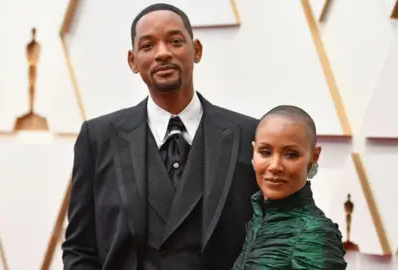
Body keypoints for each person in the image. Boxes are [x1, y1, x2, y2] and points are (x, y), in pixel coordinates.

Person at [61, 3, 259, 270]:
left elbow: (272, 238)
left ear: (197, 50)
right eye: (148, 46)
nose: (163, 53)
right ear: (132, 60)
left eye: (175, 41)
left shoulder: (248, 135)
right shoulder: (97, 138)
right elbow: (80, 248)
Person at [232, 105, 347, 270]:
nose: (275, 166)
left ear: (314, 156)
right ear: (253, 152)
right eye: (265, 152)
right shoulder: (258, 220)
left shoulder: (314, 233)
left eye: (291, 154)